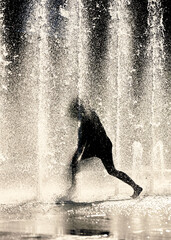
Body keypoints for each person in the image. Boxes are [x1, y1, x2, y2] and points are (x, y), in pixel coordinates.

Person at [69, 98, 143, 198]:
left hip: (101, 146)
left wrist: (75, 158)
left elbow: (81, 146)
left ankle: (73, 188)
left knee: (110, 170)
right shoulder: (89, 117)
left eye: (74, 111)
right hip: (100, 145)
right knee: (111, 170)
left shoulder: (88, 119)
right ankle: (136, 187)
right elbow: (82, 145)